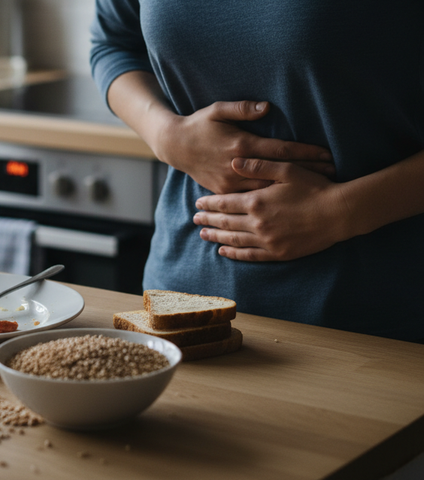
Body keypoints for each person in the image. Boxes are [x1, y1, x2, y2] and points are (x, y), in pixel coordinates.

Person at [90, 1, 424, 341]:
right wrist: (166, 134)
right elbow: (113, 45)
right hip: (180, 306)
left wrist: (344, 211)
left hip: (373, 317)